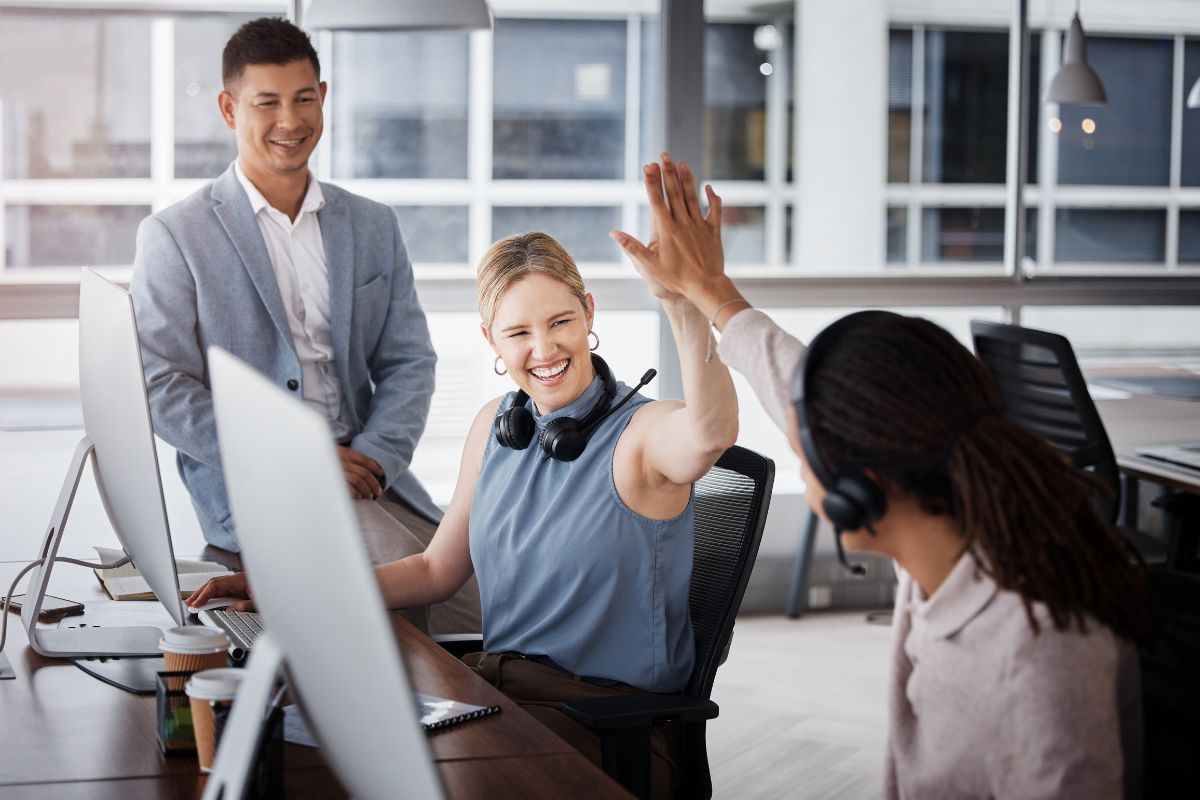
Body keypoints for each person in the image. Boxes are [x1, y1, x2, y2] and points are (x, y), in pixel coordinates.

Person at [189, 156, 740, 798]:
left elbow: (710, 431)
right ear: (491, 343)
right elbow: (434, 572)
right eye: (518, 333)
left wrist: (687, 301)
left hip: (605, 729)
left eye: (561, 322)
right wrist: (285, 589)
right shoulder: (497, 424)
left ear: (590, 314)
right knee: (304, 745)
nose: (544, 349)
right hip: (494, 694)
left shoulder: (642, 435)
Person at [612, 155, 1148, 798]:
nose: (794, 436)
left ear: (858, 485)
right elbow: (795, 378)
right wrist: (710, 290)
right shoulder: (948, 545)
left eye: (805, 439)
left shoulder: (1040, 656)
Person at [131, 17, 480, 634]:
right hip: (260, 490)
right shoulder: (175, 237)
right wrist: (298, 459)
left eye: (304, 98)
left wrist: (373, 459)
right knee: (415, 594)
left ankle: (516, 725)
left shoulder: (372, 225)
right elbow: (160, 386)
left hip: (373, 482)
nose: (290, 121)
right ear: (228, 108)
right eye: (267, 103)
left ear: (325, 97)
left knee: (487, 588)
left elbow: (409, 362)